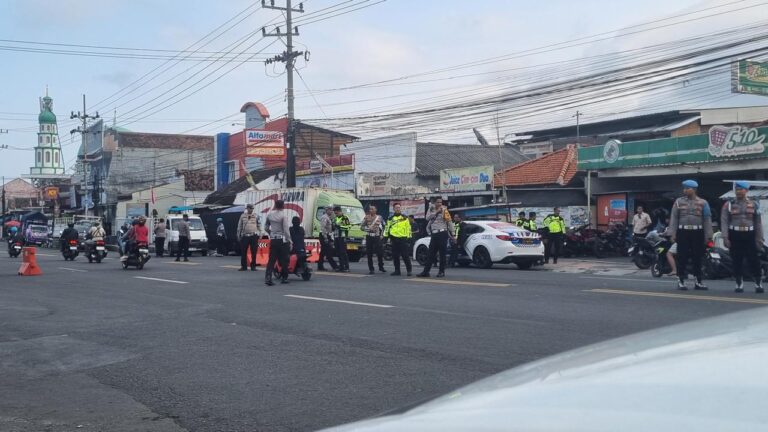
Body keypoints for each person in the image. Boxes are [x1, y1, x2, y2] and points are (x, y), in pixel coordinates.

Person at [669, 179, 713, 290]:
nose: (685, 190)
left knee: (697, 257)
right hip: (682, 232)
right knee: (681, 256)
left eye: (687, 188)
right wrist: (672, 233)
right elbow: (674, 218)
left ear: (694, 189)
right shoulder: (678, 202)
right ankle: (681, 280)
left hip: (697, 232)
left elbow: (707, 219)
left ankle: (698, 281)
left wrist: (709, 235)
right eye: (684, 188)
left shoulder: (703, 202)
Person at [721, 181, 764, 293]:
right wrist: (725, 237)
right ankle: (739, 283)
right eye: (737, 189)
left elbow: (758, 222)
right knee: (736, 259)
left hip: (750, 234)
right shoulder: (729, 204)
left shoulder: (754, 204)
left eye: (741, 189)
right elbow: (724, 221)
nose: (739, 191)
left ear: (746, 190)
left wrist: (759, 238)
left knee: (753, 259)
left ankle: (758, 283)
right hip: (734, 234)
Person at [419, 198, 455, 278]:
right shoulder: (431, 209)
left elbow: (449, 222)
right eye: (438, 202)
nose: (439, 204)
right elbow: (427, 218)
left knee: (442, 254)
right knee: (430, 253)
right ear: (434, 203)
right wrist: (435, 213)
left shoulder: (444, 210)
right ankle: (426, 272)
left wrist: (453, 234)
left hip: (442, 233)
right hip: (434, 234)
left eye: (441, 202)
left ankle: (441, 271)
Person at [264, 200, 292, 285]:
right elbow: (286, 230)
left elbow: (266, 227)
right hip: (283, 240)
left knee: (272, 260)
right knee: (284, 260)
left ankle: (268, 278)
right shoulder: (283, 216)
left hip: (274, 239)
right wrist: (290, 240)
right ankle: (284, 278)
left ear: (275, 206)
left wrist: (270, 233)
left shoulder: (270, 215)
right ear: (283, 206)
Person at [385, 203, 412, 276]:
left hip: (403, 239)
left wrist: (409, 239)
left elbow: (408, 228)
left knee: (405, 255)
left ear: (401, 208)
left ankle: (409, 270)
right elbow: (387, 228)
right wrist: (385, 238)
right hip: (394, 239)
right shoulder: (390, 219)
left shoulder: (405, 218)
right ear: (393, 209)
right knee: (395, 256)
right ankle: (397, 270)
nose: (398, 209)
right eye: (396, 208)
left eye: (399, 207)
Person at [361, 205, 386, 275]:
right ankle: (371, 269)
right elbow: (361, 227)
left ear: (376, 210)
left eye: (372, 209)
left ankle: (381, 266)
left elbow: (384, 226)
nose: (371, 210)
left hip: (377, 237)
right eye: (370, 209)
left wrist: (382, 235)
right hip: (369, 237)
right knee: (369, 253)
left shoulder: (380, 217)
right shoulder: (366, 217)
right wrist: (367, 229)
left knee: (380, 253)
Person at [237, 204, 260, 271]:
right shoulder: (243, 216)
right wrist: (238, 235)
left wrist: (260, 233)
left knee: (254, 251)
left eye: (252, 208)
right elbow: (239, 226)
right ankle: (243, 266)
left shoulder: (256, 216)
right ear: (247, 209)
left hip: (254, 236)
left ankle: (253, 266)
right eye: (250, 208)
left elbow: (259, 225)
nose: (251, 209)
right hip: (245, 236)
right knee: (243, 251)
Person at [318, 206, 338, 272]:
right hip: (324, 235)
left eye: (332, 210)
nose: (332, 211)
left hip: (327, 235)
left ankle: (320, 266)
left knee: (323, 252)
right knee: (328, 251)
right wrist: (325, 237)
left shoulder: (328, 217)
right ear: (327, 210)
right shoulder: (324, 217)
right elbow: (323, 228)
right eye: (330, 210)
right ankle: (335, 266)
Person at [333, 206, 351, 272]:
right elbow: (334, 227)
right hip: (336, 237)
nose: (336, 214)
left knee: (343, 252)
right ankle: (341, 266)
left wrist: (340, 226)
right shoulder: (335, 218)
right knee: (338, 252)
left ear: (340, 211)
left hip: (342, 237)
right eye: (335, 213)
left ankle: (346, 267)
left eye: (337, 213)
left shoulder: (345, 218)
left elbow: (348, 227)